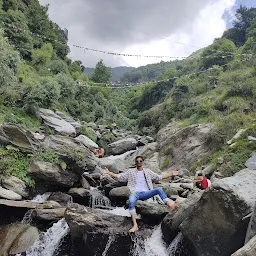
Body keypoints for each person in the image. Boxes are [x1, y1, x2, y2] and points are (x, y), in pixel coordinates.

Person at [101, 156, 180, 233]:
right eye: (137, 161)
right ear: (135, 163)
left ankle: (170, 204)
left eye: (140, 161)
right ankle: (135, 225)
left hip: (146, 193)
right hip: (136, 194)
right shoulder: (130, 171)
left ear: (143, 162)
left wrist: (171, 174)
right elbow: (120, 176)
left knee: (159, 189)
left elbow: (159, 177)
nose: (139, 162)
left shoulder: (147, 171)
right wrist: (109, 173)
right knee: (131, 201)